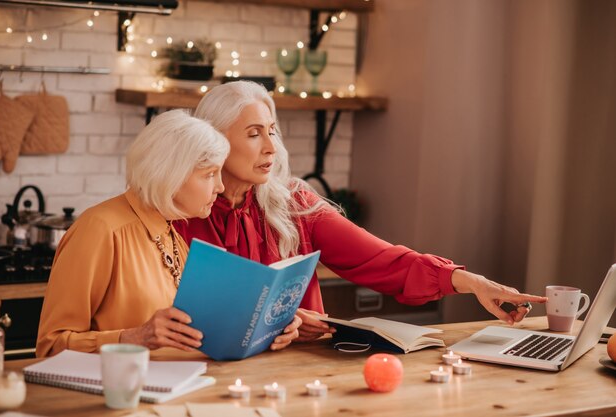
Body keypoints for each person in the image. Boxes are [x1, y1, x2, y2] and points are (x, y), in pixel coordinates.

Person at [174, 81, 547, 343]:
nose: (271, 147)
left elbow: (385, 261)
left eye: (273, 131)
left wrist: (473, 284)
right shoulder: (178, 218)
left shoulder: (295, 204)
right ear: (215, 140)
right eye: (254, 134)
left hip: (300, 377)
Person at [36, 109, 301, 357]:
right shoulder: (101, 230)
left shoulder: (171, 231)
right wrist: (134, 338)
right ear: (170, 175)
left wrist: (271, 325)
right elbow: (50, 347)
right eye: (209, 174)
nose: (220, 186)